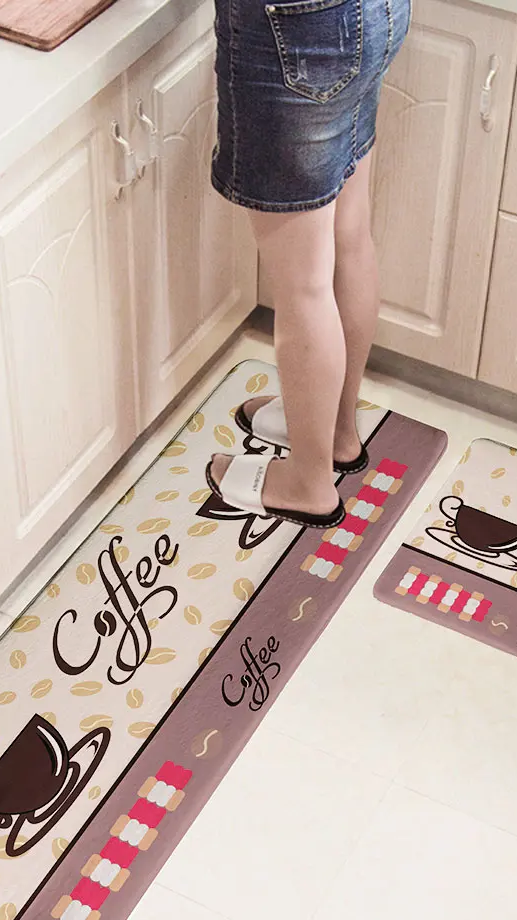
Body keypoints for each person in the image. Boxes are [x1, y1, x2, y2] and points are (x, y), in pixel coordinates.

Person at [205, 0, 412, 529]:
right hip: (369, 13)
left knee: (304, 287)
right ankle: (337, 435)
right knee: (349, 237)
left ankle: (308, 483)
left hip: (293, 31)